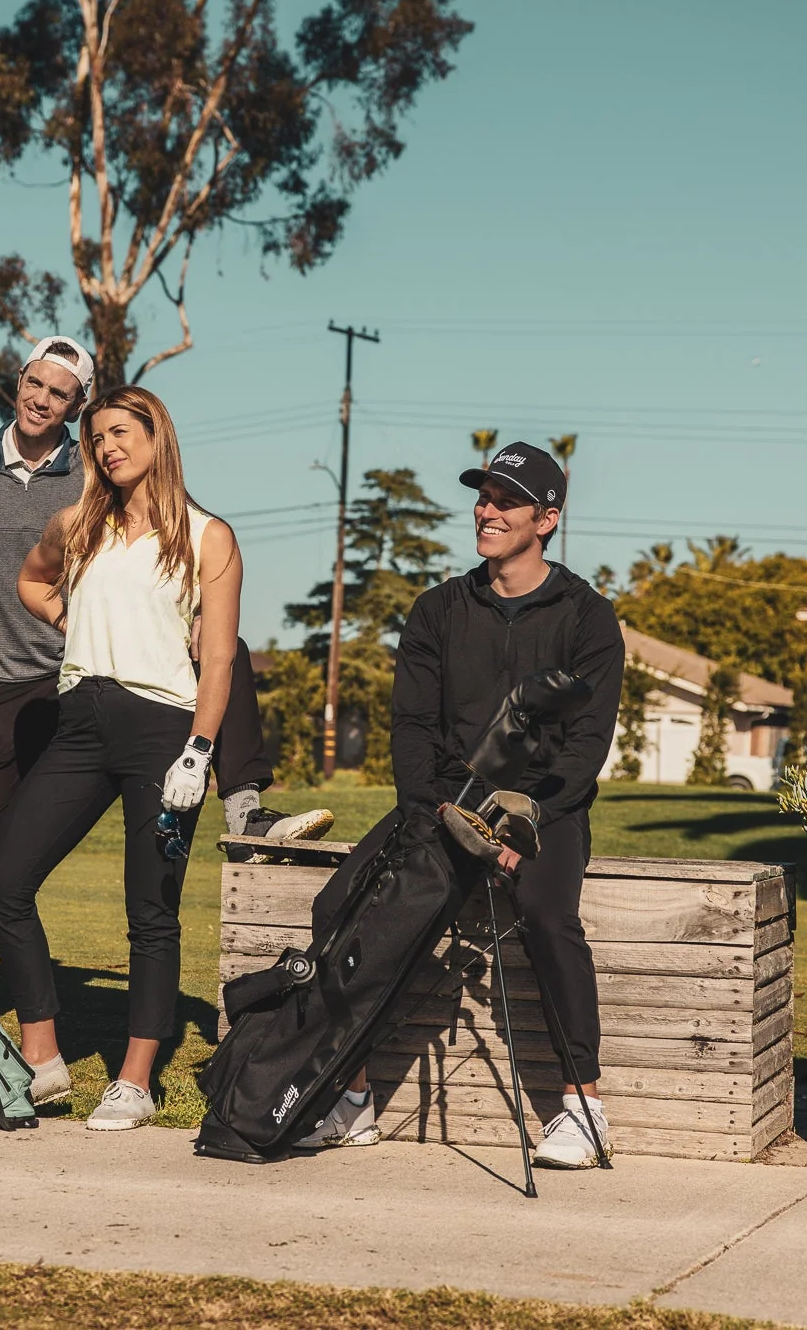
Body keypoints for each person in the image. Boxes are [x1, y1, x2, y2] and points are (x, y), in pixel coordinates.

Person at [0, 338, 329, 986]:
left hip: (89, 680)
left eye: (60, 394)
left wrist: (199, 607)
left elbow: (177, 528)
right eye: (35, 384)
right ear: (17, 382)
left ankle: (243, 803)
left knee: (225, 648)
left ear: (75, 409)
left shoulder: (97, 467)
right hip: (0, 681)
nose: (42, 399)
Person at [295, 441, 623, 1166]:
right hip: (446, 805)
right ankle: (351, 1100)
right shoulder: (439, 608)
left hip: (545, 812)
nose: (486, 510)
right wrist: (439, 813)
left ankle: (584, 1108)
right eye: (483, 496)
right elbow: (410, 730)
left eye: (505, 501)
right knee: (341, 909)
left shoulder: (586, 618)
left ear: (548, 518)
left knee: (546, 915)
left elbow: (585, 745)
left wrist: (522, 820)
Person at [0, 386, 239, 1132]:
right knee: (4, 880)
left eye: (121, 433)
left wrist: (199, 752)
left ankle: (133, 1080)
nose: (107, 448)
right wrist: (74, 615)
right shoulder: (78, 524)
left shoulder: (206, 535)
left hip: (163, 730)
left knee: (149, 911)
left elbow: (217, 661)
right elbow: (31, 580)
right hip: (80, 720)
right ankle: (42, 1056)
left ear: (158, 435)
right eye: (97, 439)